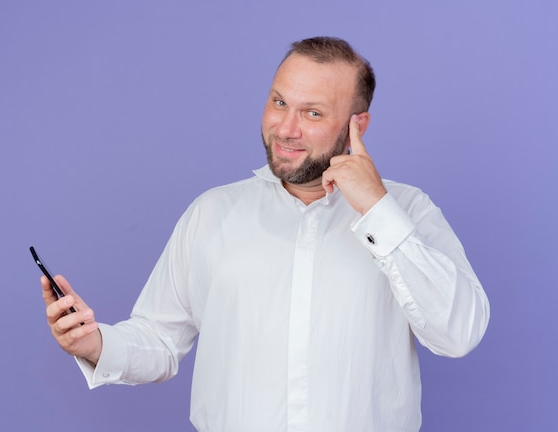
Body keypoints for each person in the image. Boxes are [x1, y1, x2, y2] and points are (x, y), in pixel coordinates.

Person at [42, 36, 490, 431]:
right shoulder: (212, 214)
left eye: (312, 112)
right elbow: (159, 341)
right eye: (279, 103)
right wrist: (96, 343)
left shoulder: (407, 210)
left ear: (358, 125)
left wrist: (377, 209)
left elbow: (458, 334)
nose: (286, 129)